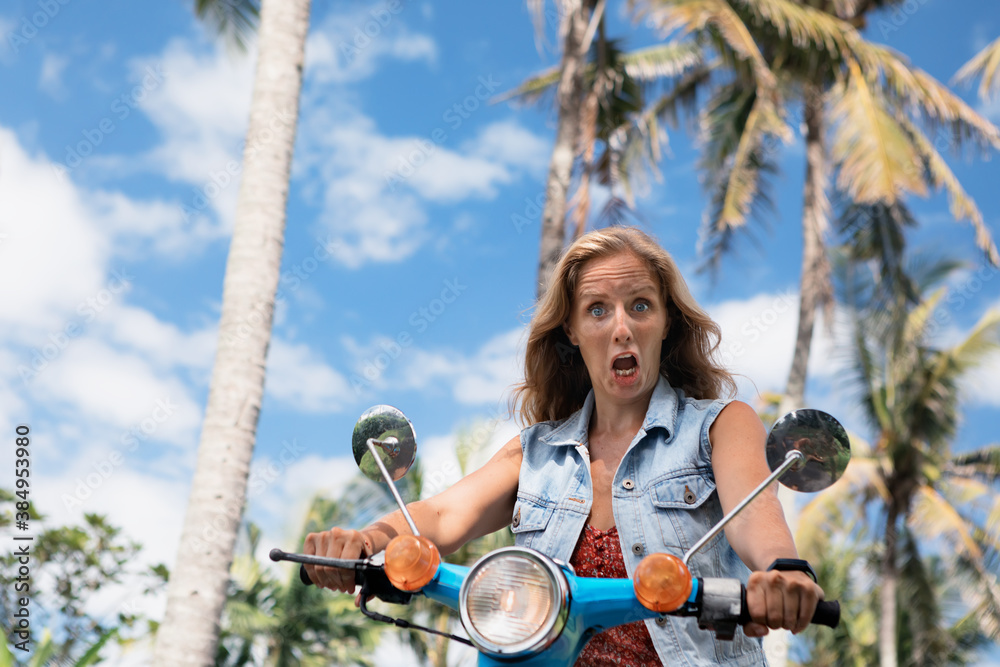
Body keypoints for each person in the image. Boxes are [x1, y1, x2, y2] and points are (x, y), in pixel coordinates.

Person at [304, 227, 824, 666]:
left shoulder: (719, 426)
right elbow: (440, 515)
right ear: (572, 331)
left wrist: (782, 572)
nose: (621, 327)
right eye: (597, 310)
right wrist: (365, 541)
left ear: (666, 321)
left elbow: (754, 515)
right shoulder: (533, 453)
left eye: (640, 305)